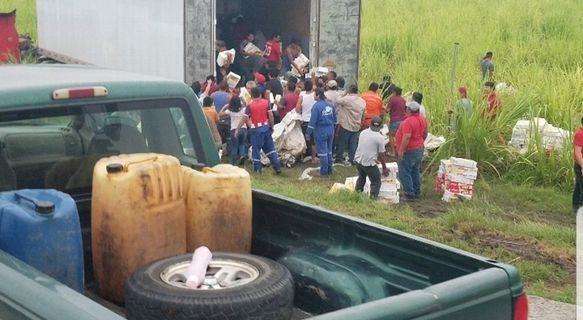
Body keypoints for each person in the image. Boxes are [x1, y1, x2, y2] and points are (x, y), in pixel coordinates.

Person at [238, 87, 282, 174]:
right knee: (270, 149)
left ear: (251, 95)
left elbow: (244, 118)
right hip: (266, 128)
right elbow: (271, 115)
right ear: (260, 94)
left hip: (256, 131)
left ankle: (257, 170)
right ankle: (277, 167)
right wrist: (272, 126)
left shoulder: (250, 105)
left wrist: (238, 129)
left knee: (256, 150)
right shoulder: (266, 102)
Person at [395, 101, 428, 201]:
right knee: (415, 171)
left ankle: (409, 194)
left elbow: (406, 137)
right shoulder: (423, 120)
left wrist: (401, 150)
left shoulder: (408, 122)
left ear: (409, 110)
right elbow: (425, 133)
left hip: (409, 150)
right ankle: (416, 192)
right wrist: (420, 142)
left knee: (404, 172)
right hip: (419, 148)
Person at [353, 116, 390, 199]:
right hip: (368, 163)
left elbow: (367, 146)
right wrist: (384, 168)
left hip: (358, 160)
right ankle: (372, 200)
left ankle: (356, 195)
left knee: (361, 178)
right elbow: (381, 154)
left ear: (370, 125)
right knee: (376, 181)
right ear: (380, 127)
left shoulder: (363, 132)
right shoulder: (380, 138)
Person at [306, 88, 337, 176]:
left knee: (322, 152)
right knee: (329, 150)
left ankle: (324, 172)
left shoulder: (316, 106)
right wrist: (332, 128)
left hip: (321, 130)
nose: (313, 96)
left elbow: (312, 122)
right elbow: (335, 119)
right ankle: (330, 170)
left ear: (318, 96)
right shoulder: (330, 104)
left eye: (314, 94)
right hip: (330, 129)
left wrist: (308, 132)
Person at [335, 84, 366, 164]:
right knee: (353, 143)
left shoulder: (346, 99)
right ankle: (352, 159)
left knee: (342, 142)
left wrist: (344, 93)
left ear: (349, 90)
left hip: (346, 124)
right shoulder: (362, 101)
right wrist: (362, 122)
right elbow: (364, 114)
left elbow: (337, 100)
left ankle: (339, 158)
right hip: (356, 125)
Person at [219, 97, 247, 165]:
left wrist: (224, 107)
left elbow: (220, 114)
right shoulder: (243, 110)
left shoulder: (230, 111)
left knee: (234, 146)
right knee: (242, 144)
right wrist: (242, 99)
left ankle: (233, 161)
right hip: (243, 129)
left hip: (234, 129)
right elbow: (246, 105)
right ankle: (242, 155)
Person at [296, 79, 318, 163]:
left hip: (304, 120)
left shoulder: (302, 95)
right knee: (313, 141)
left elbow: (298, 109)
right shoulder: (315, 95)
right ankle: (313, 158)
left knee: (305, 139)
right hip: (313, 120)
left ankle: (303, 157)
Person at [387, 86, 407, 155]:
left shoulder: (392, 99)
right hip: (403, 120)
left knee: (391, 135)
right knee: (400, 136)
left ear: (394, 92)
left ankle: (393, 152)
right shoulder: (403, 100)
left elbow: (387, 110)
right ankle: (400, 151)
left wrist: (383, 108)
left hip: (395, 120)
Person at [573, 117, 583, 212]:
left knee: (579, 186)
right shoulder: (580, 134)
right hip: (580, 165)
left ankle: (576, 206)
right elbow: (578, 152)